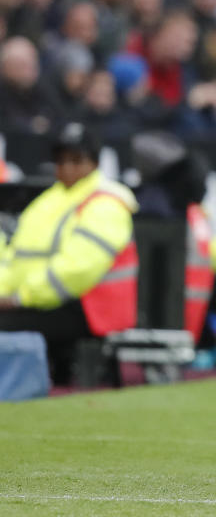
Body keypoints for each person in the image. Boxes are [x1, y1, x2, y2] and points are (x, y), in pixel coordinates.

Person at [0, 123, 138, 384]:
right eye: (61, 161)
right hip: (40, 300)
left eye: (77, 160)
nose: (67, 168)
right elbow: (13, 257)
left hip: (87, 308)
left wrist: (21, 297)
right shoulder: (48, 200)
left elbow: (77, 271)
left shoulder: (106, 202)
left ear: (95, 163)